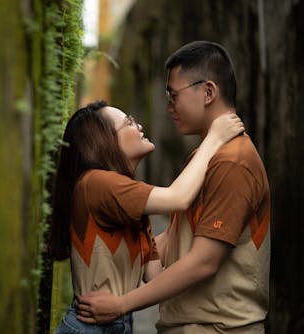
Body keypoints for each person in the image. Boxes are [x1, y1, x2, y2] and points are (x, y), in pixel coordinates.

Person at [76, 41, 271, 333]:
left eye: (173, 95)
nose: (169, 107)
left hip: (218, 327)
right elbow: (176, 239)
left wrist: (122, 304)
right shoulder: (208, 155)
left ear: (208, 92)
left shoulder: (232, 161)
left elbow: (203, 261)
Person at [49, 99, 244, 333]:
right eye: (128, 122)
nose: (138, 125)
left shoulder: (128, 200)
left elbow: (153, 274)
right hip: (89, 327)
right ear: (104, 141)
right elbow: (178, 198)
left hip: (116, 324)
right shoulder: (95, 182)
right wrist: (214, 138)